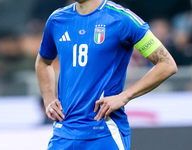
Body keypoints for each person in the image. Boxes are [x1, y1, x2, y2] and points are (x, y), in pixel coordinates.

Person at [35, 0, 177, 149]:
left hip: (105, 131)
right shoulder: (57, 19)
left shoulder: (122, 19)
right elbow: (43, 62)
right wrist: (48, 99)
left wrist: (125, 96)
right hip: (63, 133)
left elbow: (167, 64)